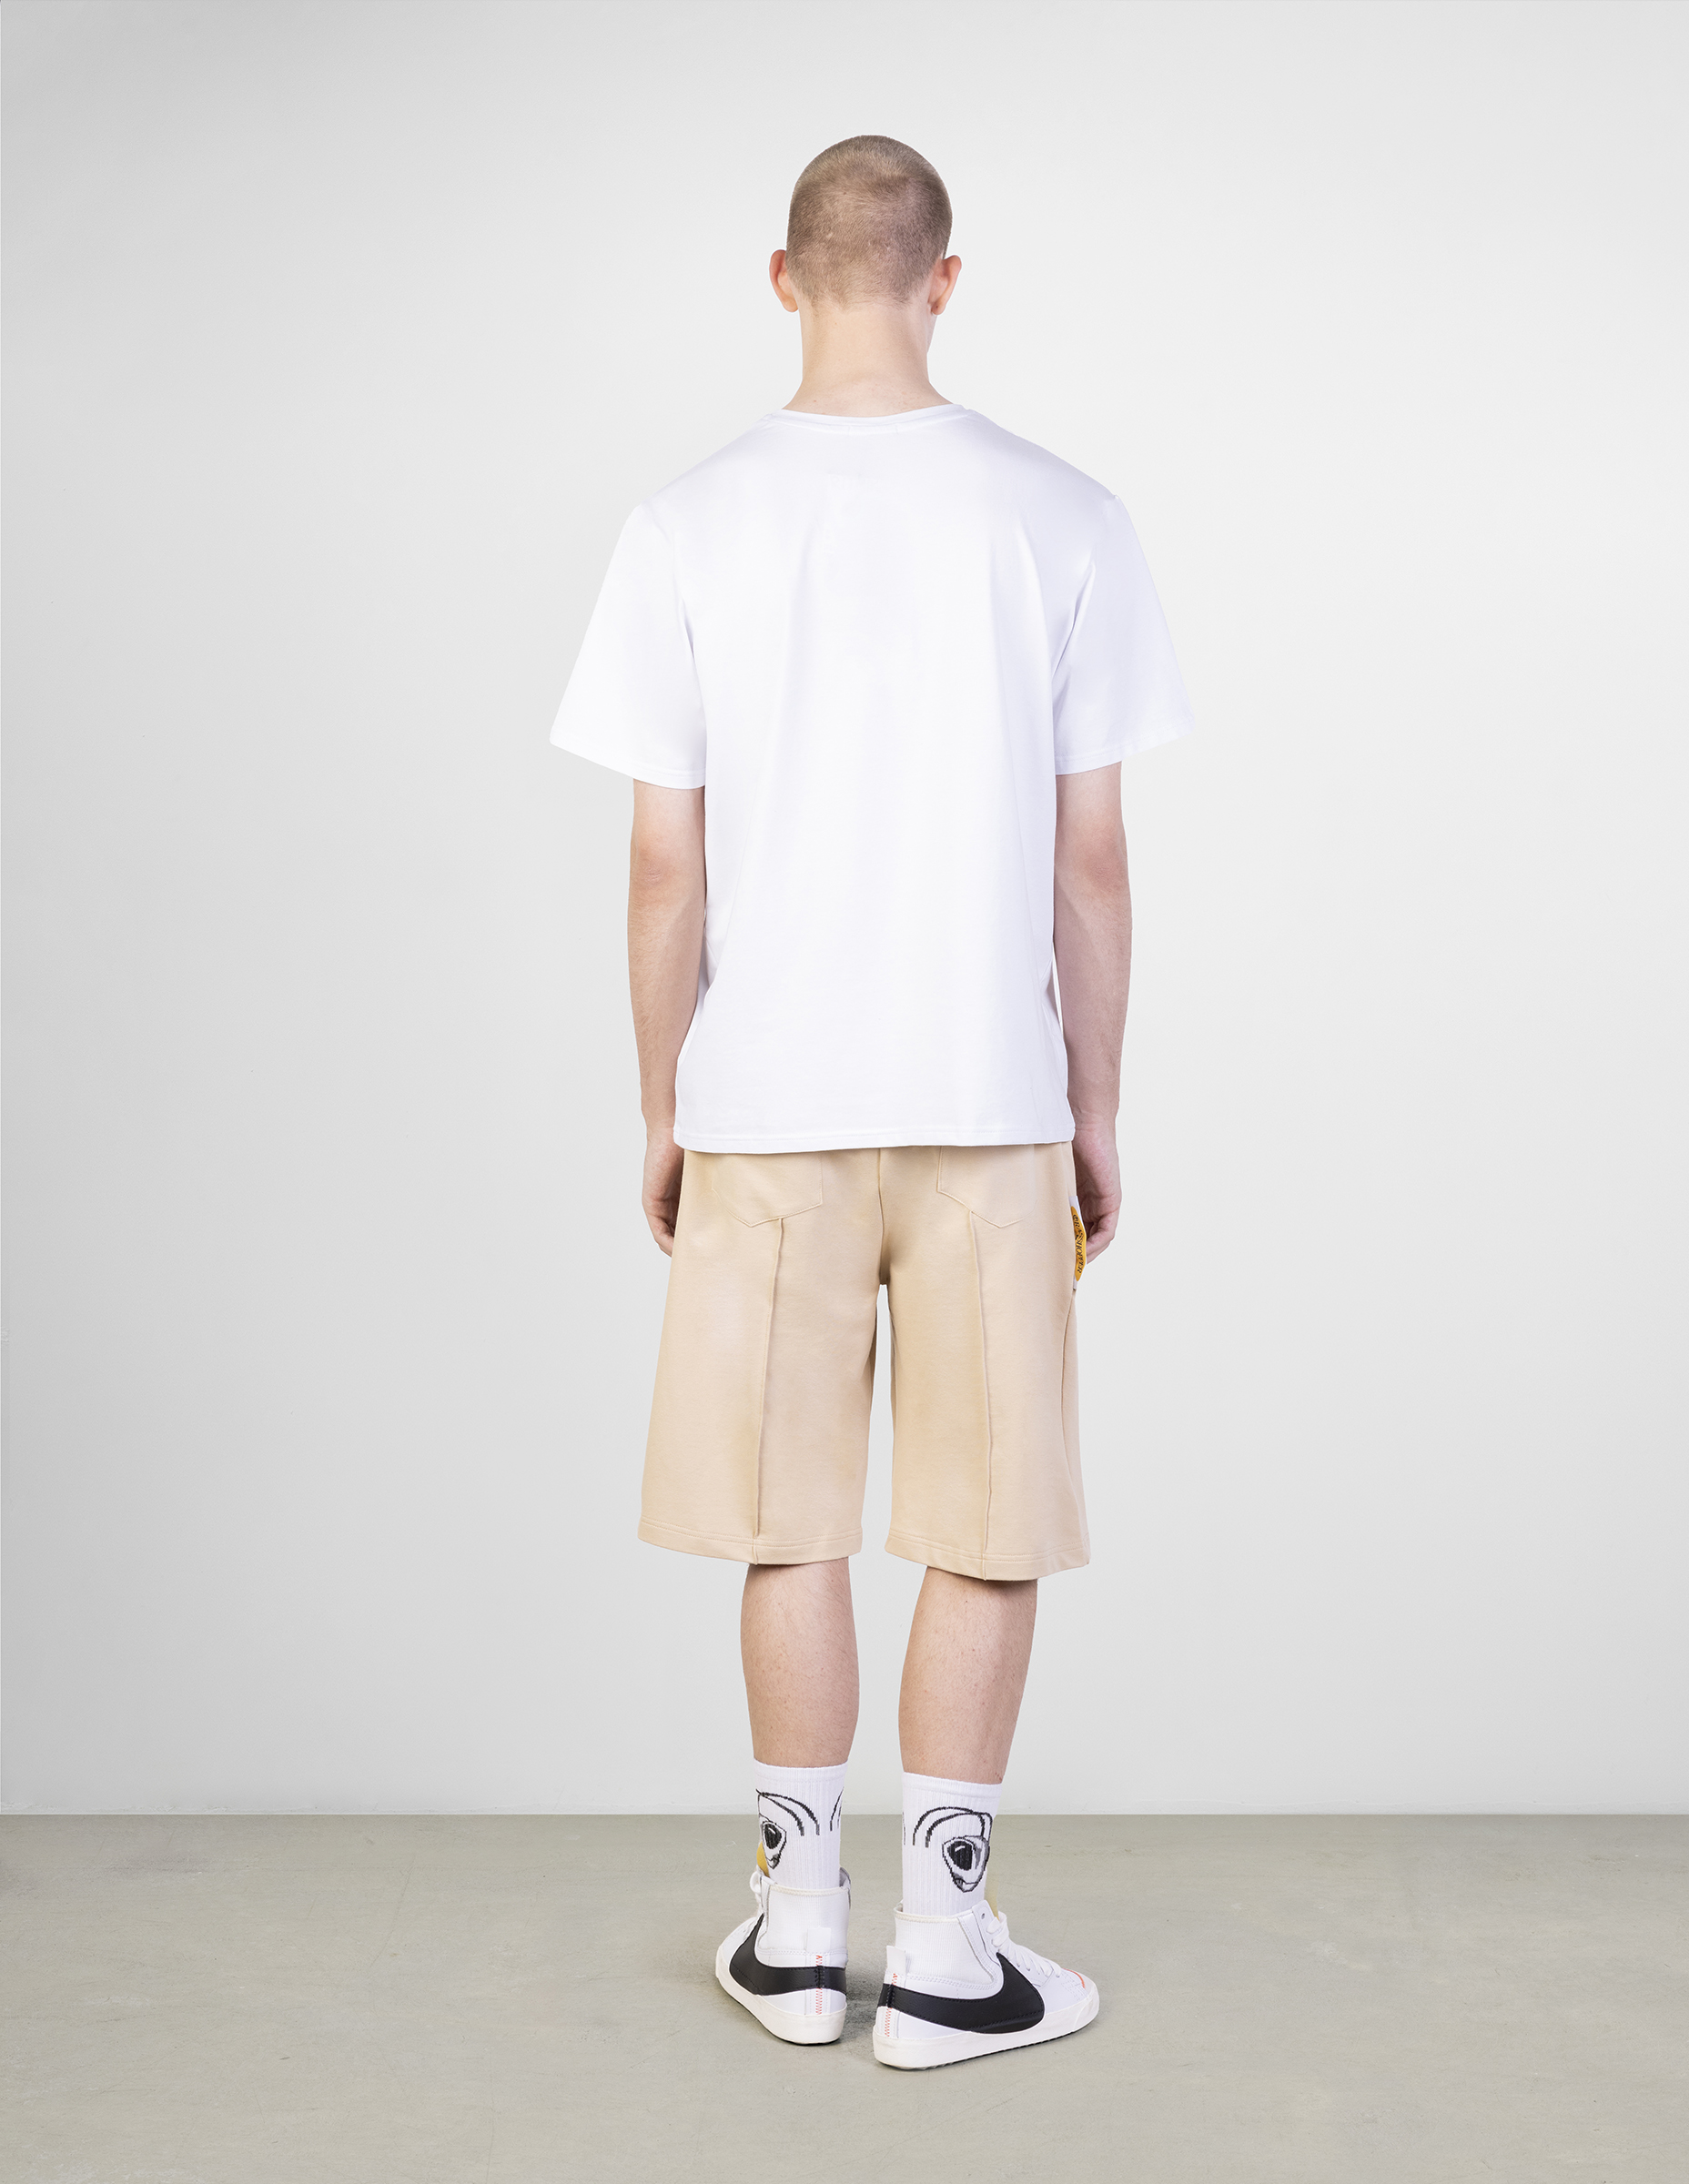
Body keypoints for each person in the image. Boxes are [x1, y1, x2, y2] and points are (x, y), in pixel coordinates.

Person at [551, 135, 1192, 2068]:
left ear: (782, 277)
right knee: (985, 1523)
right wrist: (1096, 1104)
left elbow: (664, 864)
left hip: (763, 1101)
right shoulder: (1064, 516)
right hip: (988, 1092)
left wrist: (662, 1102)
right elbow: (1093, 860)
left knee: (791, 1520)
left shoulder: (684, 526)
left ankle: (797, 1923)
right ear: (945, 278)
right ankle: (947, 1955)